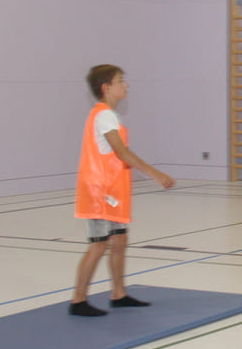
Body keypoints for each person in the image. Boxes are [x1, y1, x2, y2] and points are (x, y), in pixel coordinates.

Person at [70, 64, 175, 317]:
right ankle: (78, 300)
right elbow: (122, 152)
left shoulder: (111, 115)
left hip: (113, 191)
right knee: (98, 245)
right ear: (106, 88)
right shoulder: (104, 115)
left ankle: (119, 293)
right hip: (99, 191)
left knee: (119, 240)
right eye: (120, 81)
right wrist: (154, 172)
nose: (125, 85)